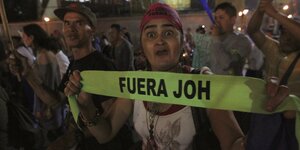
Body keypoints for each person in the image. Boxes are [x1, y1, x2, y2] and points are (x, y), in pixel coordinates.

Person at [65, 3, 247, 150]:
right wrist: (87, 107)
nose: (159, 41)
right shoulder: (134, 83)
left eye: (168, 33)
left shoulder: (203, 83)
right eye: (151, 34)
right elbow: (106, 134)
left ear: (182, 41)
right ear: (142, 46)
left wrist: (266, 126)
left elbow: (233, 142)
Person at [50, 2, 133, 149]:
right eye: (67, 23)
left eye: (79, 23)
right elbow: (56, 100)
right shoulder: (74, 64)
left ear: (91, 31)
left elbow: (113, 118)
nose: (71, 29)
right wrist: (29, 76)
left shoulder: (102, 65)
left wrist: (72, 138)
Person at [246, 0, 300, 149]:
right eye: (283, 31)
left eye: (292, 33)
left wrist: (275, 14)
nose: (287, 37)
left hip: (293, 123)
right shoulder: (273, 48)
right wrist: (261, 9)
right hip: (266, 118)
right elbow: (252, 31)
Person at [9, 24, 65, 147]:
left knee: (53, 142)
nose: (22, 39)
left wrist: (43, 108)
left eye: (24, 36)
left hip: (50, 108)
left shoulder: (44, 56)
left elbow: (47, 86)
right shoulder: (42, 54)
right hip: (48, 106)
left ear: (32, 38)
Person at [209, 2, 251, 76]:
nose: (217, 21)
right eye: (216, 18)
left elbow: (227, 65)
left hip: (232, 86)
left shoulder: (242, 41)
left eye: (221, 18)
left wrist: (216, 38)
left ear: (232, 20)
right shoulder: (211, 39)